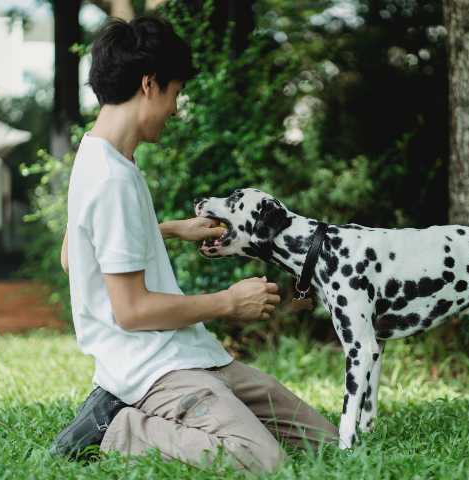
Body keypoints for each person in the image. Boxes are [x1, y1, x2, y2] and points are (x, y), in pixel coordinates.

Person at [50, 14, 338, 473]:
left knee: (324, 443)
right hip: (152, 369)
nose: (176, 107)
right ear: (149, 84)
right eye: (175, 93)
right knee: (263, 460)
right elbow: (132, 311)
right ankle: (116, 429)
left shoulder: (100, 155)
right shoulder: (111, 180)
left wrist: (168, 229)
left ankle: (175, 414)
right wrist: (229, 302)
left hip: (190, 353)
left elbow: (75, 255)